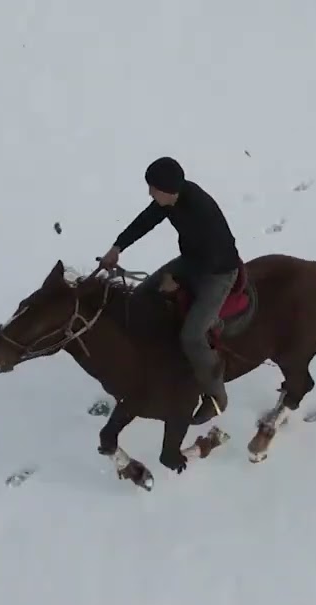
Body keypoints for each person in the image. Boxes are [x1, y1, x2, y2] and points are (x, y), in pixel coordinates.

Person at [99, 157, 243, 423]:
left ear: (170, 190)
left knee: (192, 335)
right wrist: (117, 247)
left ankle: (216, 396)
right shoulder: (171, 200)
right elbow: (146, 220)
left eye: (154, 189)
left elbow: (216, 253)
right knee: (141, 295)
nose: (150, 193)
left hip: (218, 271)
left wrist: (178, 284)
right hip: (191, 260)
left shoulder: (202, 211)